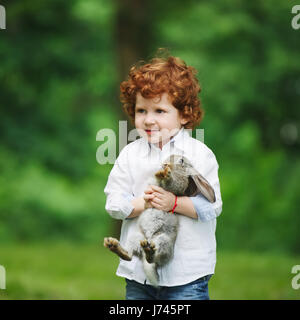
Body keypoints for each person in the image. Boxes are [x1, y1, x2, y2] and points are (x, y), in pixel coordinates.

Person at [104, 53, 222, 300]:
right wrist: (141, 203)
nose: (148, 119)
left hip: (187, 276)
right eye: (141, 110)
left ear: (184, 114)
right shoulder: (129, 154)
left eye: (159, 110)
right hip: (139, 276)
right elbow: (114, 203)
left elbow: (211, 206)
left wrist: (174, 204)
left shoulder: (199, 155)